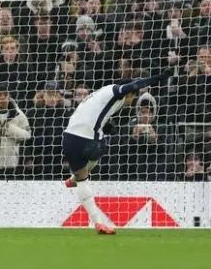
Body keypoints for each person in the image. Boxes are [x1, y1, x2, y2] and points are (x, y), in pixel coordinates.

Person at [61, 69, 172, 235]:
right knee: (104, 144)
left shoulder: (101, 94)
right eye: (133, 97)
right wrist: (161, 77)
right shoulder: (116, 91)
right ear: (129, 93)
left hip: (68, 138)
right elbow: (135, 84)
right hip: (86, 139)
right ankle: (75, 179)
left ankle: (98, 222)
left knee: (83, 179)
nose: (132, 101)